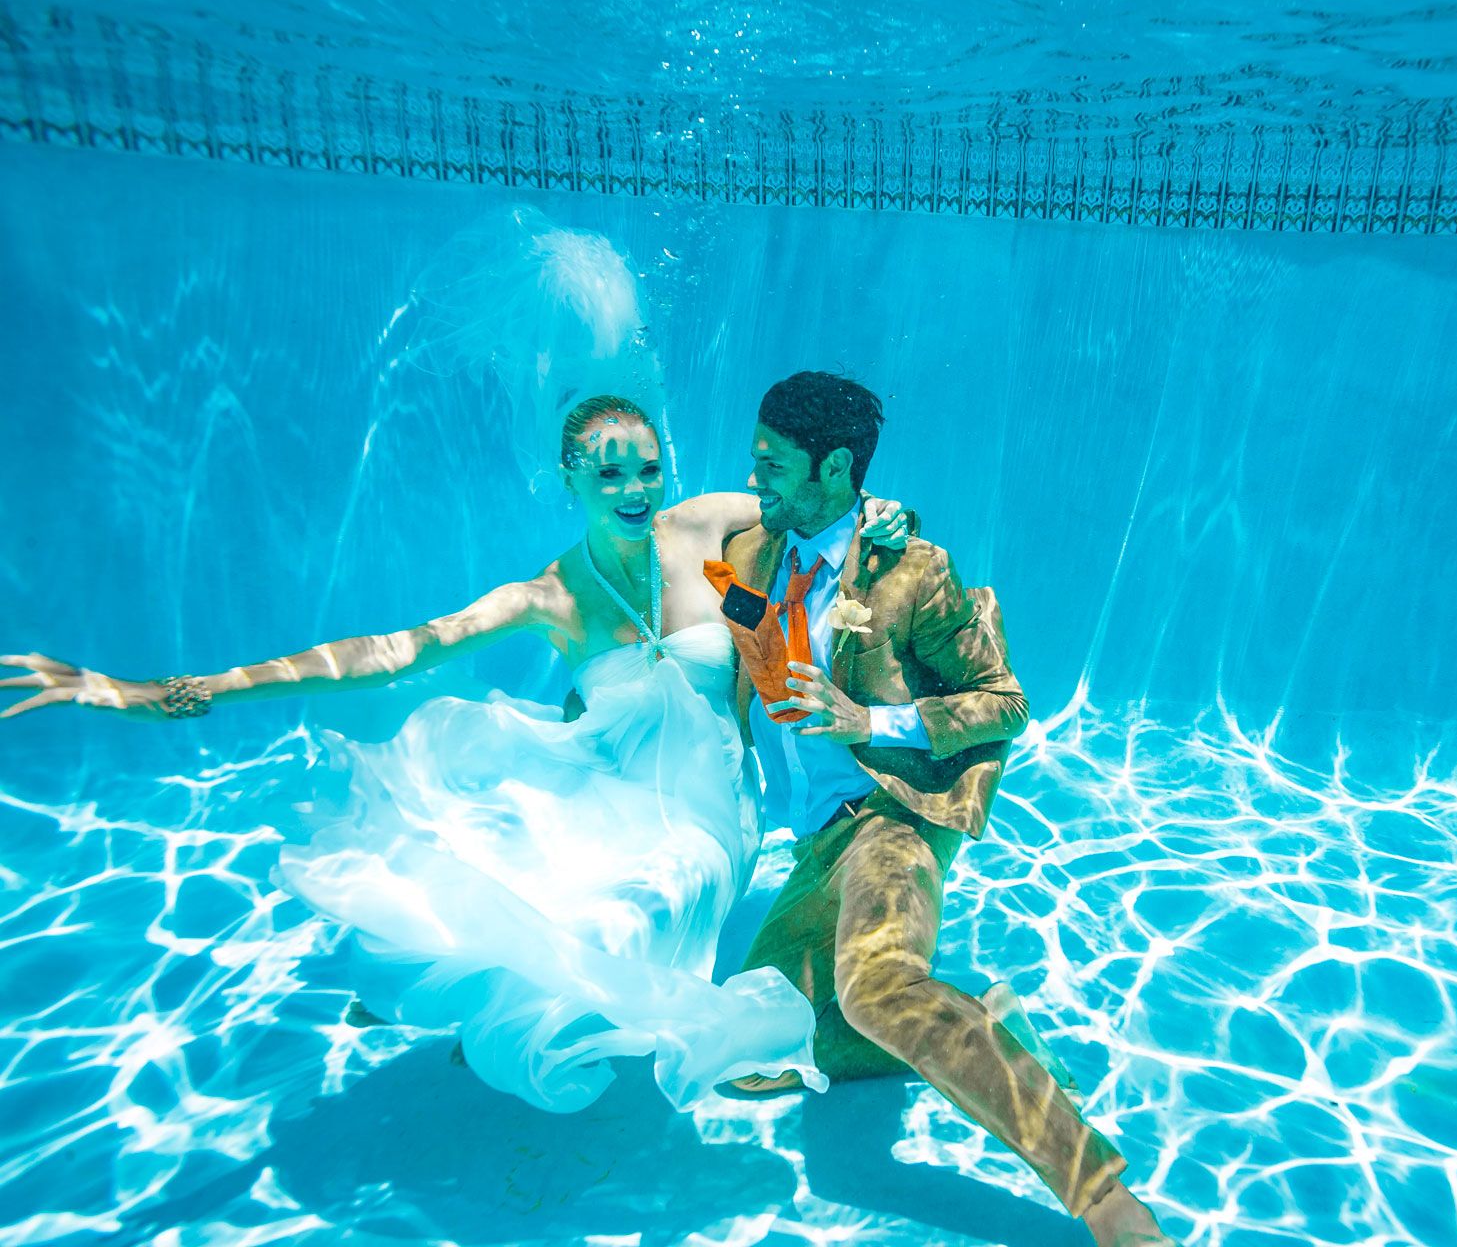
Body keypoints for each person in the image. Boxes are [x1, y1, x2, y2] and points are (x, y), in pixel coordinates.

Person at [1, 391, 916, 1114]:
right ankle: (472, 998)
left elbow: (821, 495)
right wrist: (186, 691)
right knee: (485, 889)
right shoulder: (548, 595)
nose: (636, 489)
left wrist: (887, 515)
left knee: (624, 923)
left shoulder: (710, 524)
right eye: (609, 475)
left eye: (647, 467)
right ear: (568, 479)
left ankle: (503, 1014)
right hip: (613, 801)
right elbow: (387, 652)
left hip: (713, 818)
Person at [704, 372, 1174, 1247]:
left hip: (893, 815)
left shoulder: (914, 571)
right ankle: (983, 1023)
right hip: (816, 848)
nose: (754, 475)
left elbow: (1005, 699)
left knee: (877, 987)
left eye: (771, 463)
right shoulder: (757, 553)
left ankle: (1104, 1199)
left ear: (833, 467)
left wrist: (866, 720)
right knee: (749, 1053)